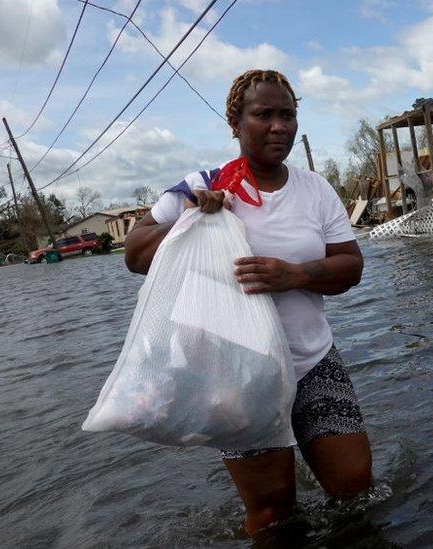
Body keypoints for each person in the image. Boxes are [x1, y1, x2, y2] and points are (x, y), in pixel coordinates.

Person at [123, 69, 372, 536]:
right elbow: (134, 255)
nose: (279, 126)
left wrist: (296, 274)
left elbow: (351, 266)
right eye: (263, 115)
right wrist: (191, 218)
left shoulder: (315, 190)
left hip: (313, 361)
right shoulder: (204, 184)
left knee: (355, 487)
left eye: (288, 115)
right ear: (235, 123)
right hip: (234, 373)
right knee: (272, 514)